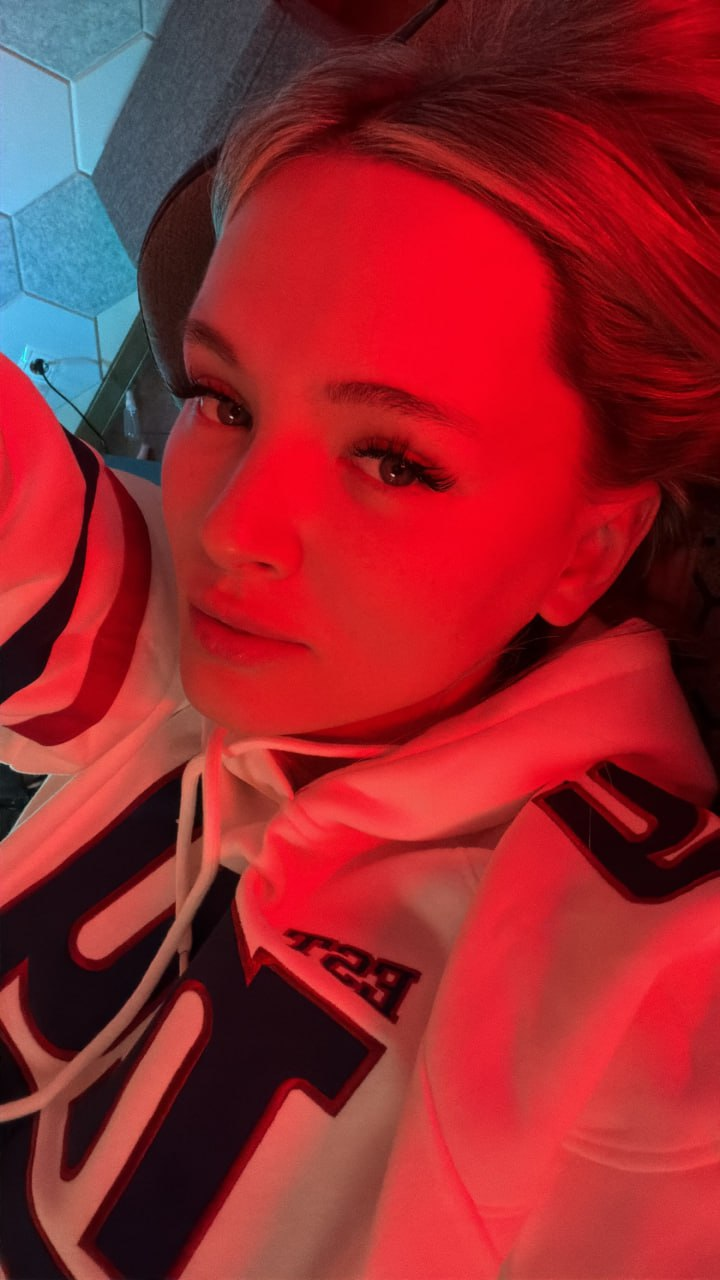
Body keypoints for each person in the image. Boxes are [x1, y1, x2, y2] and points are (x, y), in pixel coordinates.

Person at [1, 1, 719, 1275]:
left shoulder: (624, 981)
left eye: (392, 459)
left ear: (589, 548)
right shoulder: (164, 627)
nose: (233, 528)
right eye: (221, 397)